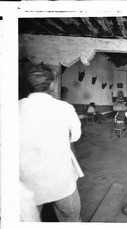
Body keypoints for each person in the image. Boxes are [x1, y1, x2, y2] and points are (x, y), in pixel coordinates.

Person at [19, 64, 83, 222]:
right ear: (53, 84)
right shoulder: (64, 108)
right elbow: (75, 136)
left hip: (27, 182)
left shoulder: (13, 108)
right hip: (61, 180)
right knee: (71, 219)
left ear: (27, 85)